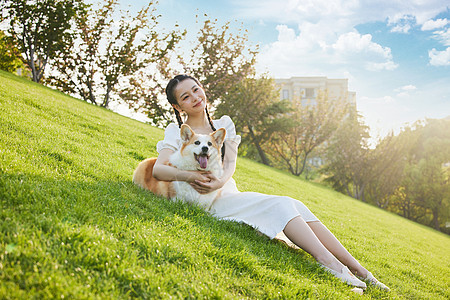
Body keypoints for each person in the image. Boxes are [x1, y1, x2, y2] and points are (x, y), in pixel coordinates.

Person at [152, 74, 389, 291]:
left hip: (226, 192)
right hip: (206, 201)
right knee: (281, 204)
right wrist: (193, 177)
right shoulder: (177, 131)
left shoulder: (223, 123)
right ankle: (329, 263)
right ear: (177, 106)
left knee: (296, 205)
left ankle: (360, 270)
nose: (195, 97)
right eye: (185, 96)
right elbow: (159, 170)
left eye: (196, 90)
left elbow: (230, 164)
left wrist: (219, 182)